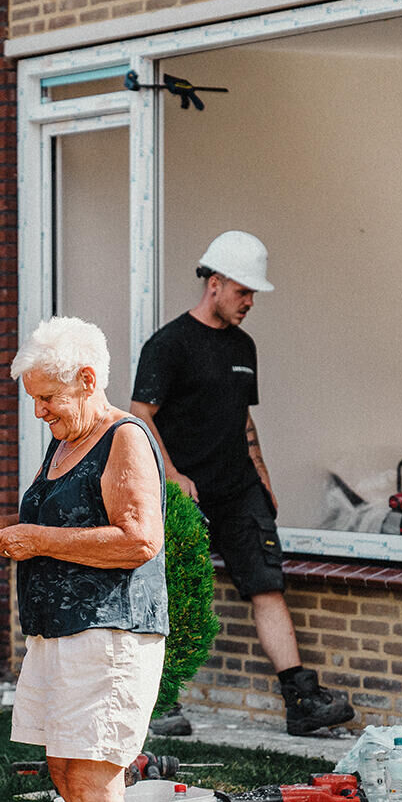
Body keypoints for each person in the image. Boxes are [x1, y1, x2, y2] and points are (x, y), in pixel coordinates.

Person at [0, 316, 167, 802]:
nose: (39, 412)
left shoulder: (123, 438)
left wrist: (38, 538)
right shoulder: (65, 439)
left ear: (85, 379)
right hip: (57, 634)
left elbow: (141, 540)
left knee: (93, 783)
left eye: (46, 398)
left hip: (109, 636)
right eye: (34, 400)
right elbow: (60, 519)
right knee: (68, 778)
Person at [130, 230, 354, 736]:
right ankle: (160, 702)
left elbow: (243, 420)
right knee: (175, 591)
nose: (250, 302)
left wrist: (263, 474)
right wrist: (171, 474)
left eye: (252, 294)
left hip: (238, 488)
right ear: (215, 282)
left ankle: (301, 701)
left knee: (266, 584)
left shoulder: (243, 347)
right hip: (183, 492)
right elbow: (139, 415)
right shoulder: (169, 345)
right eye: (243, 292)